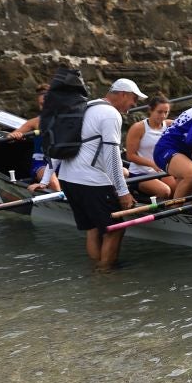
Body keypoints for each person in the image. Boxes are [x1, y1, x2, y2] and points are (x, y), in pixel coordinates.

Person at [52, 77, 146, 271]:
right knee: (115, 228)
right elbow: (112, 155)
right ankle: (105, 274)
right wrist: (123, 191)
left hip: (68, 179)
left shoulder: (87, 107)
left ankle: (98, 268)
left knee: (94, 228)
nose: (134, 105)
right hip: (91, 182)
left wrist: (48, 177)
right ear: (122, 94)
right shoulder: (111, 114)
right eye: (134, 99)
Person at [124, 93, 174, 200]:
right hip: (140, 173)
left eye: (166, 112)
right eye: (159, 112)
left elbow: (189, 134)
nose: (163, 116)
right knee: (165, 191)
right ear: (150, 110)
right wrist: (153, 164)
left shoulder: (170, 125)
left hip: (161, 170)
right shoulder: (138, 128)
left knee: (178, 188)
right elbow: (130, 156)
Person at [7, 83, 52, 186]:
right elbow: (9, 137)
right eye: (41, 105)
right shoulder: (34, 122)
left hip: (60, 161)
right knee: (52, 180)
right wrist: (15, 136)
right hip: (41, 162)